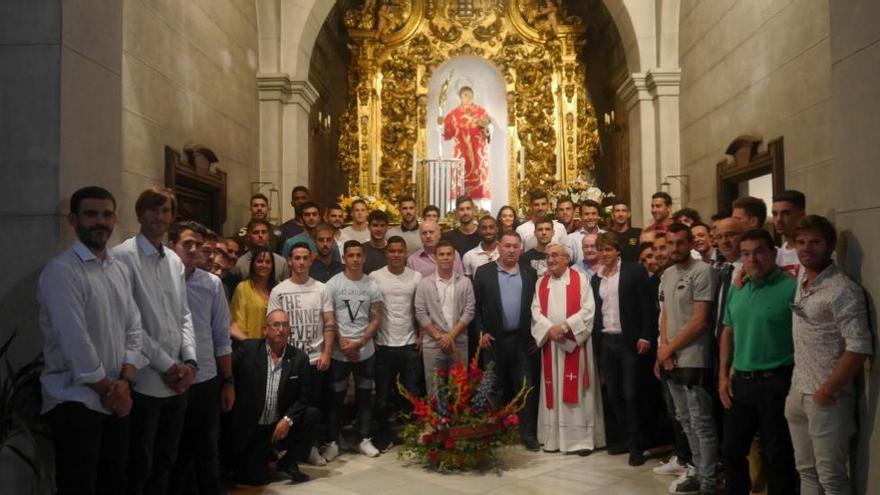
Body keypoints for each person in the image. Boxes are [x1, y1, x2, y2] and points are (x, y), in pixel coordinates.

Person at [39, 186, 146, 495]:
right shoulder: (62, 271)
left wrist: (125, 381)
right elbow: (75, 341)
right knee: (78, 486)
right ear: (73, 219)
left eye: (107, 214)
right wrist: (109, 390)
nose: (100, 221)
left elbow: (134, 327)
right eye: (90, 214)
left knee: (114, 484)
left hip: (117, 396)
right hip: (76, 400)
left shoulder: (118, 268)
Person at [112, 187, 197, 495]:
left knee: (165, 463)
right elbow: (128, 322)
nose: (158, 217)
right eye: (152, 210)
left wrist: (189, 362)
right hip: (145, 378)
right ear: (139, 213)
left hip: (177, 382)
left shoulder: (174, 260)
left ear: (172, 218)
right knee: (138, 466)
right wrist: (168, 364)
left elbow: (184, 315)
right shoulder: (123, 257)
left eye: (165, 211)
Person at [785, 215, 872, 494]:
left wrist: (828, 389)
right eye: (801, 242)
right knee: (806, 472)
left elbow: (859, 346)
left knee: (832, 478)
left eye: (815, 242)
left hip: (827, 397)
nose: (807, 248)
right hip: (798, 389)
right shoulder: (802, 277)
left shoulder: (843, 289)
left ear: (830, 245)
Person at [717, 229, 798, 495]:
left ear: (773, 253)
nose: (753, 258)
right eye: (746, 253)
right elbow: (728, 331)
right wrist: (723, 375)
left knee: (778, 457)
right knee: (731, 451)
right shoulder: (738, 288)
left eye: (759, 251)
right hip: (741, 382)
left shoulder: (791, 288)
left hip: (777, 382)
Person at [166, 221, 235, 495]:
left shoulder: (212, 284)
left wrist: (228, 380)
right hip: (170, 377)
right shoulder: (162, 280)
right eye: (187, 244)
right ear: (172, 246)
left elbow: (222, 336)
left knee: (207, 449)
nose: (193, 250)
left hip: (206, 376)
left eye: (198, 245)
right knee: (172, 454)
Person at [657, 223, 717, 495]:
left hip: (694, 357)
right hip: (671, 358)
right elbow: (666, 314)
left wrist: (670, 349)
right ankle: (695, 469)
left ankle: (709, 480)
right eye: (670, 243)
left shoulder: (703, 271)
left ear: (690, 242)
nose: (675, 248)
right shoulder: (667, 274)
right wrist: (663, 348)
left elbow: (701, 320)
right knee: (683, 419)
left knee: (701, 422)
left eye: (680, 242)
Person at [531, 243, 605, 455]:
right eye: (548, 256)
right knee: (553, 387)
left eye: (555, 255)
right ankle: (553, 439)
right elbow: (535, 310)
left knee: (578, 391)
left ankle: (580, 440)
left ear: (567, 258)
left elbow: (589, 309)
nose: (551, 259)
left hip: (574, 345)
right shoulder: (541, 282)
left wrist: (564, 327)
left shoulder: (580, 279)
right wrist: (548, 329)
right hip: (552, 346)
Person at [267, 242, 336, 466]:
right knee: (286, 406)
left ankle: (311, 448)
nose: (301, 262)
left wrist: (326, 353)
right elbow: (273, 327)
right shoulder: (279, 290)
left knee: (314, 408)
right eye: (297, 258)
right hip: (289, 359)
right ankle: (283, 449)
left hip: (315, 358)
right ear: (289, 260)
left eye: (305, 258)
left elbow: (329, 323)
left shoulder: (321, 288)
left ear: (311, 260)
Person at [590, 232, 655, 466]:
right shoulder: (596, 279)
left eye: (608, 249)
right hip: (607, 341)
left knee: (631, 395)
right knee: (614, 394)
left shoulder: (634, 271)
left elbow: (648, 305)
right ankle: (626, 439)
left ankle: (637, 446)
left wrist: (647, 335)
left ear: (618, 251)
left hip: (629, 341)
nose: (604, 254)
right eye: (601, 250)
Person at [231, 309, 317, 485]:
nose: (281, 329)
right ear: (265, 330)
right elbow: (229, 376)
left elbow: (304, 397)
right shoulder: (248, 350)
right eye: (276, 325)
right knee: (256, 479)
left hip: (277, 424)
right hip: (252, 426)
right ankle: (267, 458)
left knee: (312, 415)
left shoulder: (299, 358)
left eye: (285, 325)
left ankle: (287, 461)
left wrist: (288, 419)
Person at [473, 231, 540, 451]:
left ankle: (527, 433)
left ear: (521, 249)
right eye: (507, 246)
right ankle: (493, 433)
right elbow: (476, 308)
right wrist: (481, 332)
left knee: (525, 387)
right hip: (494, 341)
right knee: (493, 388)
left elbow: (537, 306)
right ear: (499, 247)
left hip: (522, 341)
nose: (511, 250)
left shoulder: (530, 273)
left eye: (515, 246)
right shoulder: (483, 273)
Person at [325, 241, 384, 458]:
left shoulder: (372, 285)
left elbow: (376, 318)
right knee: (336, 397)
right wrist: (342, 342)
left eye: (359, 255)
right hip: (339, 351)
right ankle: (333, 440)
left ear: (364, 258)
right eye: (351, 255)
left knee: (365, 395)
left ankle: (364, 438)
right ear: (344, 258)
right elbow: (329, 317)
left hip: (365, 350)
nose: (355, 259)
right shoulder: (333, 284)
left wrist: (359, 343)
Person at [369, 236, 423, 451]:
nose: (396, 255)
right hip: (384, 344)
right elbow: (370, 309)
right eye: (392, 251)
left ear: (406, 253)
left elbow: (420, 308)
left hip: (409, 343)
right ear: (386, 254)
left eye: (400, 251)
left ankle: (412, 435)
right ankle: (384, 436)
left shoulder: (416, 277)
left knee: (412, 394)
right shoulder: (375, 277)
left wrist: (421, 335)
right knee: (382, 396)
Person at [414, 240, 476, 397]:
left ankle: (458, 422)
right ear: (435, 257)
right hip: (433, 344)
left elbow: (469, 311)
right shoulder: (424, 283)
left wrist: (451, 336)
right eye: (441, 254)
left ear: (454, 257)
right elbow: (420, 312)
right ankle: (437, 421)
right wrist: (438, 336)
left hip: (459, 342)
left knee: (459, 390)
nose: (445, 257)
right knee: (434, 389)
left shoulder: (465, 282)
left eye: (449, 254)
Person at [439, 85, 492, 201]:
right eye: (465, 95)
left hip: (478, 152)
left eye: (470, 95)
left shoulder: (481, 111)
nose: (468, 97)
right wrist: (441, 124)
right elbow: (446, 133)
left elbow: (489, 130)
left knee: (479, 176)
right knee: (460, 177)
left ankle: (480, 200)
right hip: (461, 153)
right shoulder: (454, 114)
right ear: (460, 97)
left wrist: (486, 126)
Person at [230, 246, 277, 341]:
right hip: (248, 345)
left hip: (274, 347)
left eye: (268, 262)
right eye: (259, 261)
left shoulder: (278, 289)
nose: (264, 265)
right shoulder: (243, 288)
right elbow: (235, 322)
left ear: (272, 266)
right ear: (253, 264)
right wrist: (250, 345)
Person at [234, 219, 289, 283]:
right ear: (248, 236)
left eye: (264, 232)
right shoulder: (240, 264)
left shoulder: (281, 262)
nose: (260, 235)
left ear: (269, 236)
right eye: (256, 232)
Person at [771, 190, 806, 277]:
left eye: (786, 213)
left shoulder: (814, 252)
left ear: (802, 215)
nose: (778, 219)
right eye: (775, 214)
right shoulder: (776, 255)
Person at [568, 200, 606, 266]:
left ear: (598, 216)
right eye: (586, 214)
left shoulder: (606, 236)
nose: (590, 217)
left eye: (593, 214)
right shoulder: (571, 238)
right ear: (580, 216)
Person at [362, 209, 389, 274]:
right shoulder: (361, 250)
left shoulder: (393, 250)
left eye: (382, 225)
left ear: (387, 228)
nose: (379, 229)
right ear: (368, 227)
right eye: (375, 225)